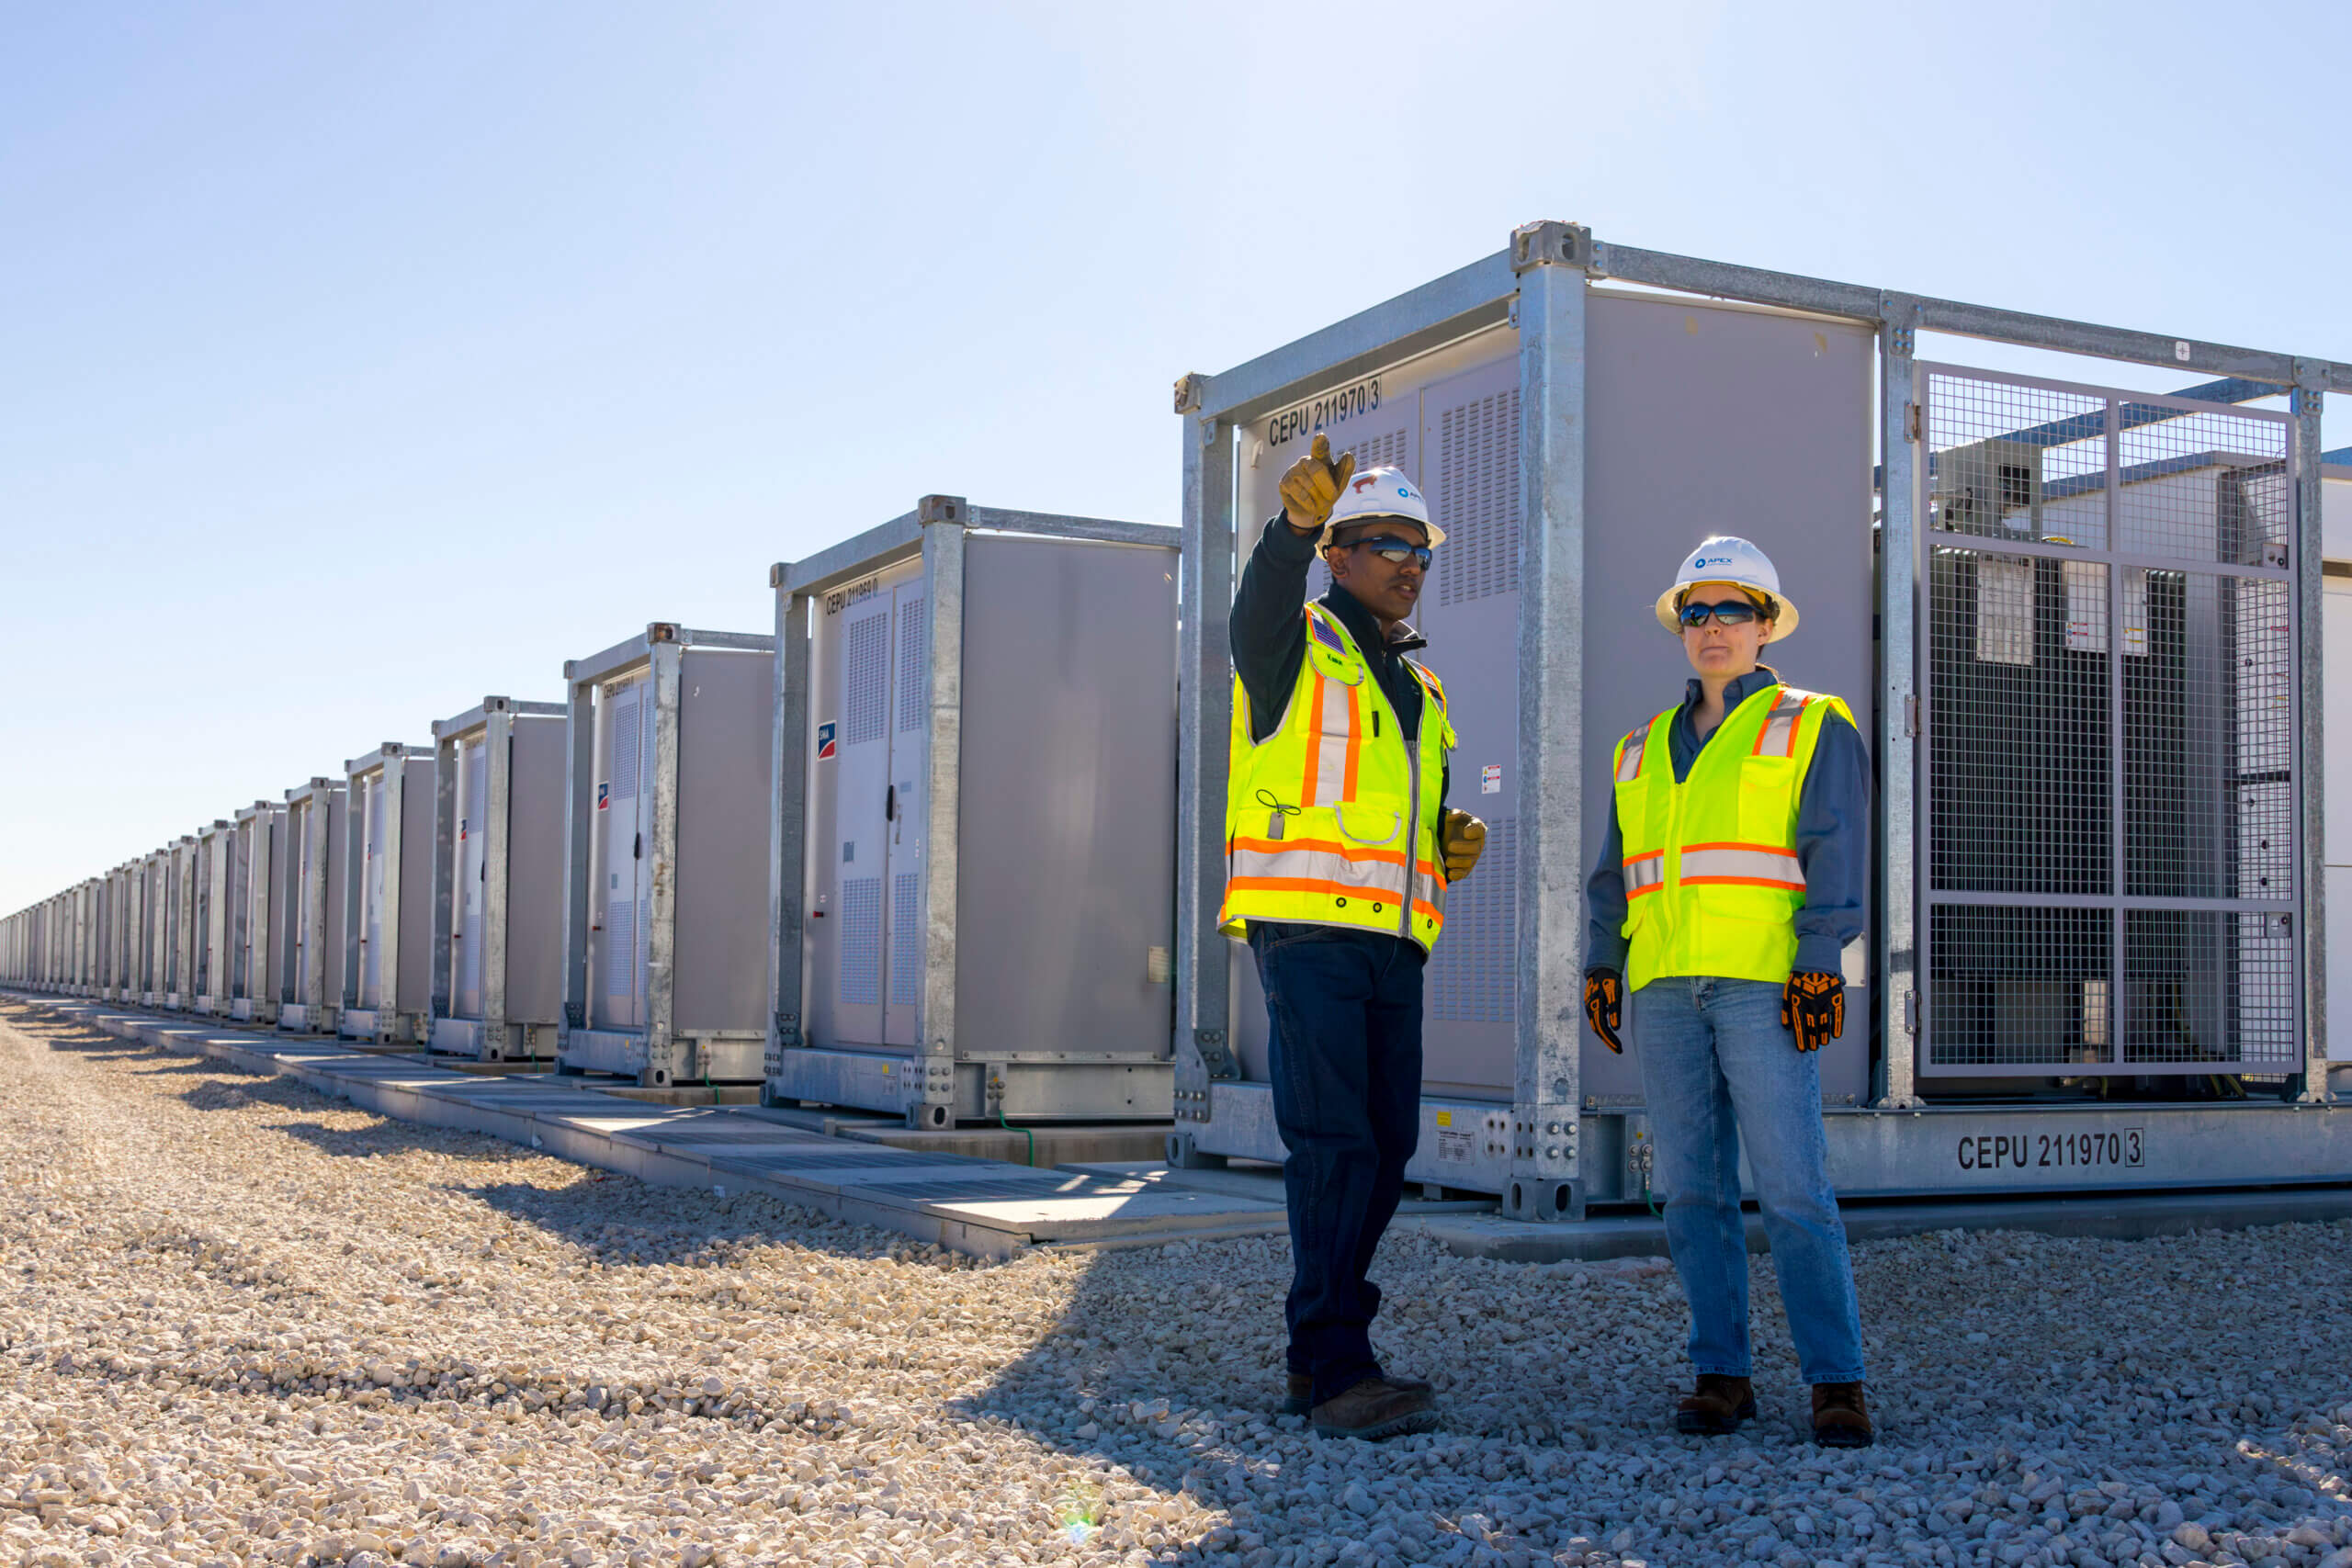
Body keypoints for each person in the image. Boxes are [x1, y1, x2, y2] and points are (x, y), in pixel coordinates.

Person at [1581, 534, 1875, 1449]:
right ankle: (1722, 1374)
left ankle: (1836, 1383)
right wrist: (1601, 960)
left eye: (1732, 611)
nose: (1713, 628)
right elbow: (1612, 871)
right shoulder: (1637, 748)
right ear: (1681, 629)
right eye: (1696, 613)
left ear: (1764, 626)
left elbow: (1835, 848)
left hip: (1761, 986)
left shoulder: (1811, 722)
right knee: (1689, 1194)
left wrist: (1819, 956)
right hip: (1665, 988)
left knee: (1792, 1188)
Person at [1222, 432, 1487, 1441]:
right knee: (1333, 1144)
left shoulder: (1423, 690)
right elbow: (1253, 611)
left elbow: (1405, 810)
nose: (1409, 563)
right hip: (1307, 931)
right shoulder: (1293, 646)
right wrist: (1288, 527)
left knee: (1385, 1148)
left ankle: (1325, 1349)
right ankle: (1331, 1365)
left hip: (1394, 940)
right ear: (1337, 556)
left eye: (1420, 549)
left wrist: (1445, 838)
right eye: (1384, 543)